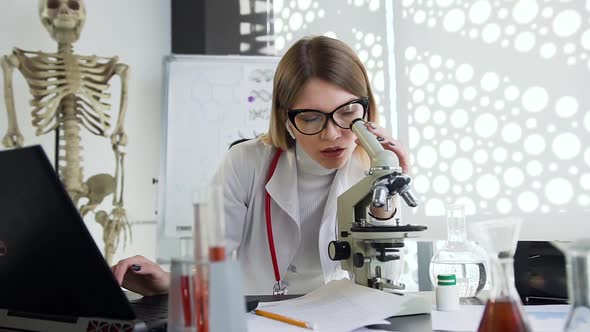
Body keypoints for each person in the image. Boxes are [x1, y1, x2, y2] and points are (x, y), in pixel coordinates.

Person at [111, 35, 409, 296]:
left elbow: (386, 280)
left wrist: (387, 194)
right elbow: (211, 267)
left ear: (366, 107)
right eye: (310, 118)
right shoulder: (245, 162)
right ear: (285, 119)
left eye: (347, 113)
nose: (331, 133)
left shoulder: (376, 167)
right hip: (260, 318)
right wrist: (168, 283)